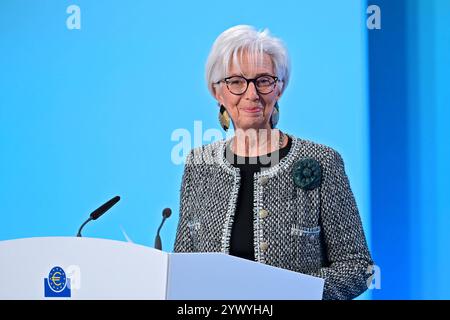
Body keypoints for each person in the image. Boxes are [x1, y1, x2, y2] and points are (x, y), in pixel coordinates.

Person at [174, 25, 374, 300]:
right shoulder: (199, 166)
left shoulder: (322, 162)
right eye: (236, 81)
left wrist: (287, 292)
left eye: (264, 80)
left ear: (279, 88)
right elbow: (183, 269)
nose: (252, 93)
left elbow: (358, 268)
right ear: (217, 92)